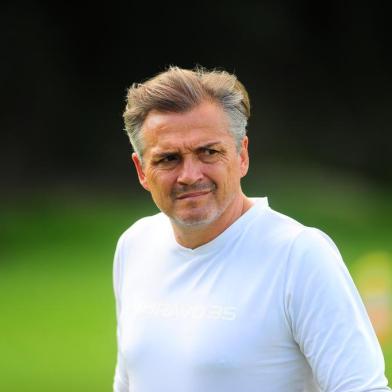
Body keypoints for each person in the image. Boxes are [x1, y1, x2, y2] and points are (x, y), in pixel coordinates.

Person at [113, 66, 390, 392]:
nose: (190, 174)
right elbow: (128, 381)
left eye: (208, 152)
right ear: (141, 170)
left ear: (242, 155)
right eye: (169, 159)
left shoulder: (298, 255)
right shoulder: (135, 245)